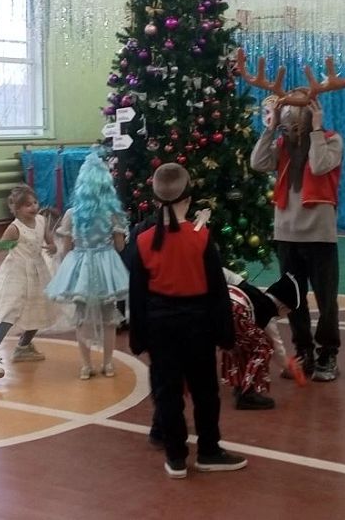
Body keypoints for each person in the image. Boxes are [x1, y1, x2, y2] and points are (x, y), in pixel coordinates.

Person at [129, 163, 246, 479]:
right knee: (205, 392)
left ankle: (176, 457)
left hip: (160, 329)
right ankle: (208, 451)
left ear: (155, 201)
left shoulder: (142, 241)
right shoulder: (202, 238)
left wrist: (139, 337)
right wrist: (225, 335)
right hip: (198, 327)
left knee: (167, 394)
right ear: (189, 200)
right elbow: (217, 292)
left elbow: (137, 295)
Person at [250, 91, 343, 382]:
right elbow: (258, 162)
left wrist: (315, 130)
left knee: (326, 300)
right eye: (286, 120)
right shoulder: (281, 146)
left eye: (295, 119)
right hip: (287, 235)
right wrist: (270, 128)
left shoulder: (331, 140)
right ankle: (304, 352)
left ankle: (328, 353)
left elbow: (319, 165)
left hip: (319, 236)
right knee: (293, 299)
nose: (290, 127)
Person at [45, 151, 129, 380]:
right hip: (107, 267)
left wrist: (67, 267)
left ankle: (86, 365)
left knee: (81, 317)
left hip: (81, 266)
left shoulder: (72, 214)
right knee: (109, 317)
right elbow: (120, 246)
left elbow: (66, 249)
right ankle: (108, 364)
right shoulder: (112, 214)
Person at [0, 186, 56, 379]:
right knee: (8, 313)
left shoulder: (41, 221)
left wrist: (52, 247)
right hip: (16, 274)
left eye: (35, 202)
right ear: (17, 209)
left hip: (37, 272)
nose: (33, 207)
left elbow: (49, 241)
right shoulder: (14, 228)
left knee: (38, 309)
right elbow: (3, 245)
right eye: (27, 205)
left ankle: (23, 347)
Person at [221, 269, 303, 409]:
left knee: (241, 344)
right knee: (263, 347)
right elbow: (276, 345)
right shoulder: (268, 313)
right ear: (283, 307)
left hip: (220, 307)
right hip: (236, 312)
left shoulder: (252, 292)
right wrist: (288, 365)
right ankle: (247, 394)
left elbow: (225, 273)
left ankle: (239, 383)